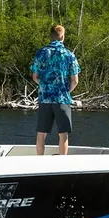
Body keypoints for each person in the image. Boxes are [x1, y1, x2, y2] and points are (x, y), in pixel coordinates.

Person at [30, 25, 80, 155]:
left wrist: (45, 86)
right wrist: (66, 91)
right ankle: (62, 162)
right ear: (62, 37)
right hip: (62, 98)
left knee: (41, 133)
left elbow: (35, 76)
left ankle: (39, 160)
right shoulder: (69, 55)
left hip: (45, 98)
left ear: (50, 36)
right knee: (63, 133)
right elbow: (75, 80)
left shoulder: (41, 53)